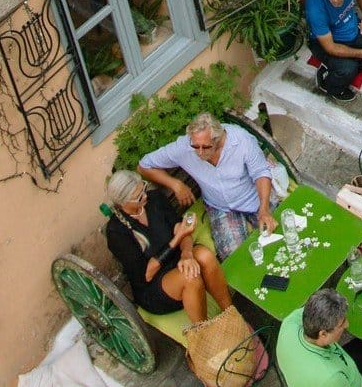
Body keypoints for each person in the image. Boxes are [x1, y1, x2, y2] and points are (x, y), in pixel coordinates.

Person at [138, 113, 279, 259]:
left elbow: (261, 173)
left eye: (205, 147)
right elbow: (144, 165)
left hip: (253, 197)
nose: (199, 152)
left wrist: (263, 209)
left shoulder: (241, 140)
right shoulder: (184, 147)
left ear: (218, 139)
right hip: (221, 208)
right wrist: (176, 184)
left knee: (279, 233)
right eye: (195, 146)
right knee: (236, 258)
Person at [103, 170, 232, 324]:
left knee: (204, 255)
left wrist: (187, 254)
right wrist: (177, 239)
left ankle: (231, 313)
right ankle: (204, 332)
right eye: (138, 197)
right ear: (123, 203)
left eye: (143, 188)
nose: (145, 196)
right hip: (154, 285)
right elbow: (147, 274)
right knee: (190, 277)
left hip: (177, 259)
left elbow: (181, 229)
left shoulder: (155, 199)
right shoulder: (117, 232)